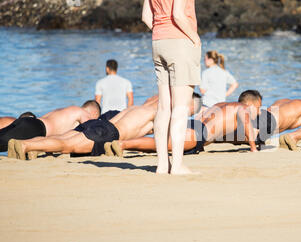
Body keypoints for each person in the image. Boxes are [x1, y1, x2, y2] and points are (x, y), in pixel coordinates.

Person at [9, 94, 202, 160]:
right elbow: (167, 137)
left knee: (66, 138)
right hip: (107, 133)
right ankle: (27, 146)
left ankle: (25, 143)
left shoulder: (143, 106)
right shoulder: (159, 114)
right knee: (66, 145)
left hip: (100, 123)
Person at [105, 90, 262, 156]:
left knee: (162, 143)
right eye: (258, 108)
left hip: (193, 124)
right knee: (160, 145)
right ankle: (123, 145)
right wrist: (253, 148)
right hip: (198, 133)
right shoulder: (243, 108)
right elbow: (246, 123)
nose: (259, 112)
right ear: (250, 104)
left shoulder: (224, 105)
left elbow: (220, 131)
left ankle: (125, 143)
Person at [142, 0, 202, 175]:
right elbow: (178, 14)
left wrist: (162, 30)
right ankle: (177, 166)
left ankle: (162, 165)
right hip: (180, 42)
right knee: (180, 107)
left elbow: (146, 17)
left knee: (163, 107)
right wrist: (195, 37)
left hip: (158, 41)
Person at [0, 101, 100, 152]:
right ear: (94, 112)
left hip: (28, 121)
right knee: (3, 143)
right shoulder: (83, 113)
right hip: (38, 128)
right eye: (96, 118)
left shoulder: (67, 109)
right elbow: (90, 130)